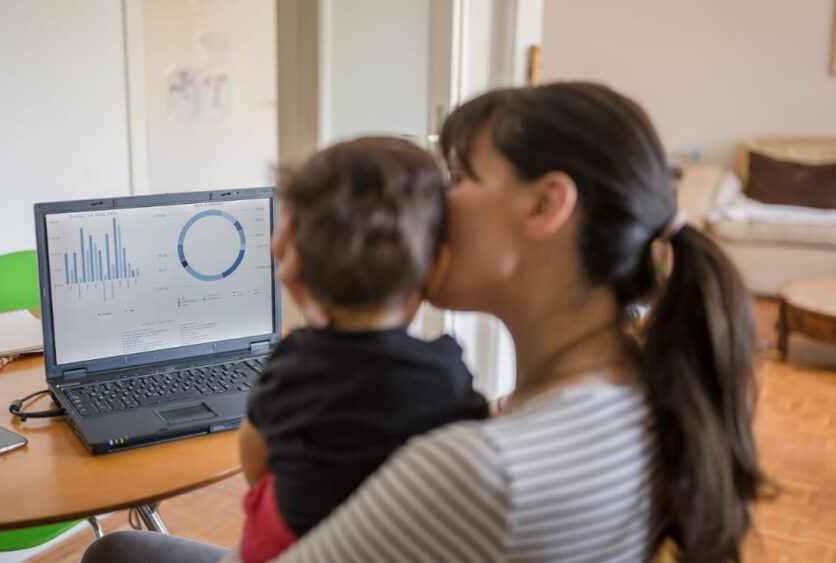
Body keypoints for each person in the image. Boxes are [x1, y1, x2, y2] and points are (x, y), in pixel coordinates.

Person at [83, 82, 764, 563]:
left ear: (545, 204)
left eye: (459, 174)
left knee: (115, 550)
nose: (433, 201)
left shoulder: (482, 470)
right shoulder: (648, 391)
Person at [237, 136, 487, 562]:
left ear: (300, 266)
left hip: (284, 545)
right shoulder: (445, 373)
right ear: (436, 267)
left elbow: (254, 456)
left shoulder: (294, 360)